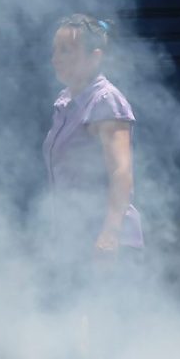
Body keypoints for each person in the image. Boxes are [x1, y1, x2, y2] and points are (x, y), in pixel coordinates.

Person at [43, 13, 141, 258]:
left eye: (66, 51)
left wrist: (109, 235)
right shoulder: (65, 101)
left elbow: (121, 172)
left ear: (95, 57)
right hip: (74, 239)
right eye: (55, 50)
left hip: (105, 242)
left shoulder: (105, 100)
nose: (56, 59)